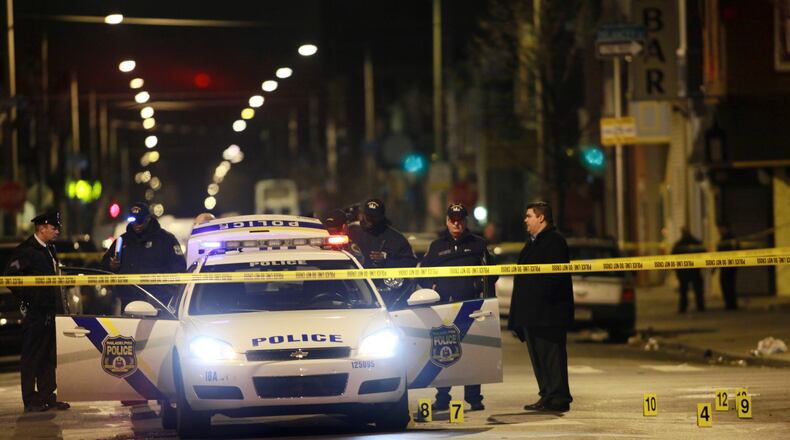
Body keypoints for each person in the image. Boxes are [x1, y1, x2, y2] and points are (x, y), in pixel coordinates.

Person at [421, 203, 496, 412]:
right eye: (453, 220)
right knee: (443, 353)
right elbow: (422, 274)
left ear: (465, 222)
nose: (457, 224)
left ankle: (474, 398)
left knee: (472, 352)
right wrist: (431, 290)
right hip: (444, 307)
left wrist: (484, 295)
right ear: (446, 221)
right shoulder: (436, 247)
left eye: (460, 220)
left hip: (471, 306)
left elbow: (493, 273)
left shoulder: (478, 245)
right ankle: (442, 398)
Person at [508, 201, 574, 413]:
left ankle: (559, 397)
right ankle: (547, 394)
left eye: (529, 216)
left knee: (552, 357)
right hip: (532, 315)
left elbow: (553, 280)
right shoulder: (532, 243)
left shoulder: (554, 241)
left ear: (541, 218)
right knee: (539, 359)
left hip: (548, 314)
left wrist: (537, 305)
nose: (525, 220)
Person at [3, 212, 70, 412]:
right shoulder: (26, 251)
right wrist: (29, 298)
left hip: (50, 311)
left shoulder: (50, 249)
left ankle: (47, 396)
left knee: (48, 355)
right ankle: (31, 400)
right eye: (54, 228)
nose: (57, 231)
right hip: (35, 312)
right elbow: (10, 277)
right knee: (32, 356)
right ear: (42, 228)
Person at [102, 202, 186, 311]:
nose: (136, 225)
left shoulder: (165, 240)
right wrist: (111, 266)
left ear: (148, 219)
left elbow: (179, 268)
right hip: (128, 301)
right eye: (133, 221)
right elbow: (103, 267)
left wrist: (166, 292)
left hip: (158, 301)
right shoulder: (122, 241)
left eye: (140, 221)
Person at [347, 198, 417, 269]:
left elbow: (410, 262)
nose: (370, 219)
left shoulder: (396, 239)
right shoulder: (352, 232)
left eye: (374, 216)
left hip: (381, 279)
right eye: (367, 215)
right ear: (362, 215)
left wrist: (386, 259)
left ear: (381, 217)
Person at [671, 227, 705, 313]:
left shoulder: (679, 244)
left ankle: (683, 307)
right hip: (694, 271)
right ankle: (700, 306)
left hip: (684, 272)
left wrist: (676, 270)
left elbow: (673, 257)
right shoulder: (696, 243)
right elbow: (704, 253)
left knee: (684, 291)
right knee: (697, 290)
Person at [716, 224, 738, 310]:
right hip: (724, 267)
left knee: (729, 286)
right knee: (726, 285)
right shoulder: (723, 239)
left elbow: (736, 251)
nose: (719, 231)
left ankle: (731, 304)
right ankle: (729, 304)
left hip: (729, 267)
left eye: (720, 229)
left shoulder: (730, 239)